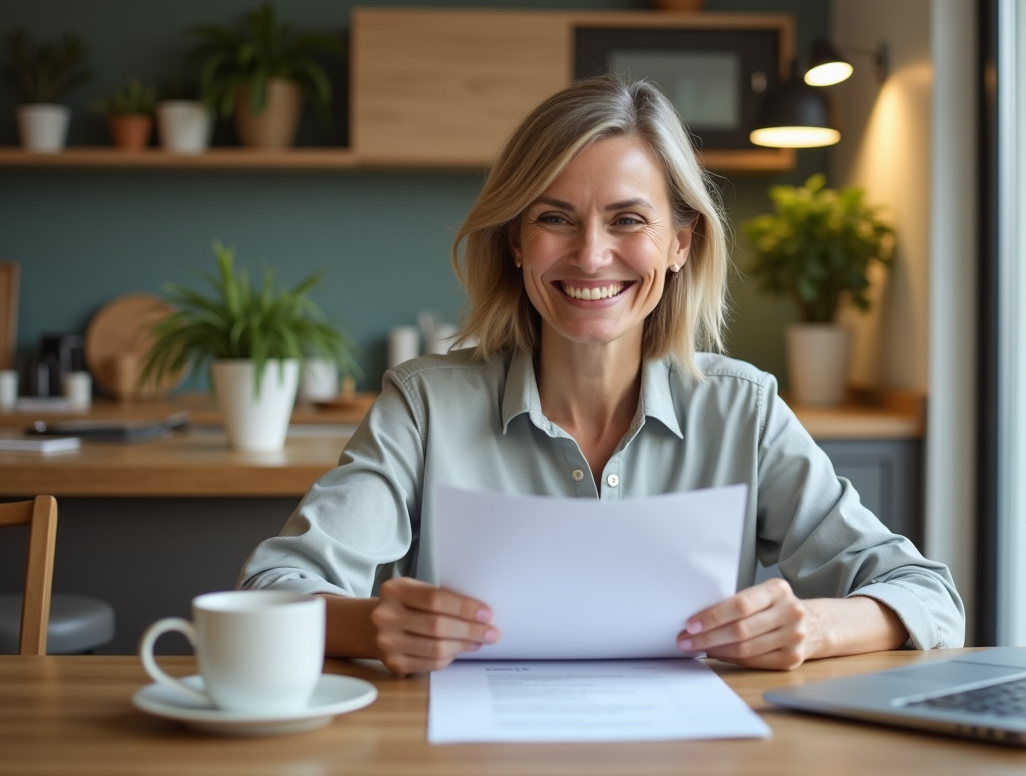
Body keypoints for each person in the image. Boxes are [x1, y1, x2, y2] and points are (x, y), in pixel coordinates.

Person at [239, 75, 965, 676]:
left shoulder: (742, 410)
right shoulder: (423, 406)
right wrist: (371, 626)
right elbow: (271, 591)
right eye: (556, 218)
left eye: (627, 221)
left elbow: (929, 596)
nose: (591, 256)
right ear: (518, 243)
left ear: (679, 244)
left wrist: (811, 626)